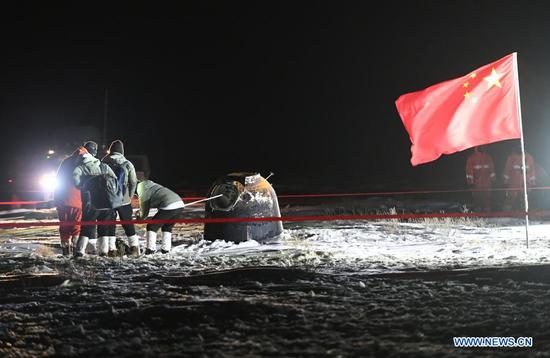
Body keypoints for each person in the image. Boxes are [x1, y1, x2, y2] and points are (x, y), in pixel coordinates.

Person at [73, 141, 117, 257]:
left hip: (91, 202)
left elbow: (75, 182)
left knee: (86, 226)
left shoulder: (81, 167)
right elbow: (114, 180)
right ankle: (104, 252)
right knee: (104, 227)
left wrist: (83, 185)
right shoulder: (104, 166)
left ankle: (80, 251)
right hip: (107, 202)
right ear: (95, 153)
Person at [101, 139, 140, 257]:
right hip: (124, 199)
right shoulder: (127, 163)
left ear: (111, 150)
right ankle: (134, 247)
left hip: (108, 199)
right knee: (127, 222)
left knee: (110, 223)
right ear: (122, 151)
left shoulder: (104, 162)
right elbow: (133, 181)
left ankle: (111, 249)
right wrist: (130, 195)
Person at [53, 146, 87, 256]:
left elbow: (57, 179)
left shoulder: (65, 162)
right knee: (76, 226)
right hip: (78, 200)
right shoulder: (83, 162)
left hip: (62, 200)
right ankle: (75, 250)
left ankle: (65, 251)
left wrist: (56, 198)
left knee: (64, 225)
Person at [136, 180, 184, 254]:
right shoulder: (152, 186)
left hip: (169, 205)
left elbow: (144, 212)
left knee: (152, 226)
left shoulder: (142, 191)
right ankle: (166, 250)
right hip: (179, 204)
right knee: (167, 227)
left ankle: (150, 250)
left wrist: (139, 218)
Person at [502, 144, 536, 211]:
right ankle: (506, 212)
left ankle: (524, 212)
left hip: (525, 182)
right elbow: (507, 169)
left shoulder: (529, 157)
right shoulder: (511, 157)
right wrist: (505, 180)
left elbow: (532, 170)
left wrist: (532, 182)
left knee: (525, 198)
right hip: (514, 182)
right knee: (511, 197)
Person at [465, 146, 495, 211]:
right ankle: (478, 213)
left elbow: (492, 169)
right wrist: (471, 183)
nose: (483, 148)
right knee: (477, 197)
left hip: (486, 182)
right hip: (476, 183)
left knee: (487, 196)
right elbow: (469, 172)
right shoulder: (471, 158)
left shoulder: (488, 157)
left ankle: (487, 212)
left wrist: (493, 180)